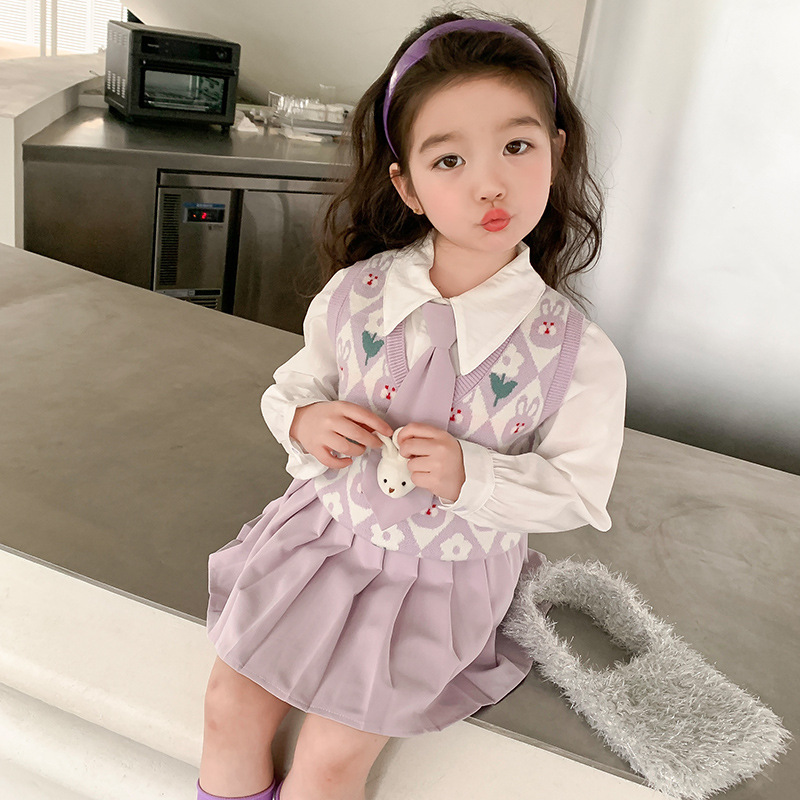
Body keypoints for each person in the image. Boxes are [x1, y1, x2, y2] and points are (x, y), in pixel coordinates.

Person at [198, 9, 626, 800]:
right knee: (230, 703)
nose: (489, 183)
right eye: (450, 159)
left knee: (332, 757)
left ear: (557, 150)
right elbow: (294, 387)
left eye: (517, 146)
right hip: (318, 543)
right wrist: (305, 422)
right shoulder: (355, 293)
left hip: (441, 582)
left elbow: (579, 492)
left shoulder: (577, 353)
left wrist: (473, 476)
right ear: (408, 185)